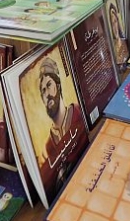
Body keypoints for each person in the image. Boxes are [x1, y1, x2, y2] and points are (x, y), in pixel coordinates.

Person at [38, 57, 88, 195]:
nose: (46, 94)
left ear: (58, 85)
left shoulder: (79, 113)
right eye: (42, 91)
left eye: (49, 85)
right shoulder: (48, 147)